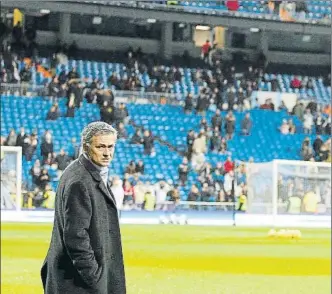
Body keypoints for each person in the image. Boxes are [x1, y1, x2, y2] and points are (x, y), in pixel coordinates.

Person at [41, 122, 126, 294]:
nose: (107, 153)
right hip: (77, 283)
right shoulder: (80, 180)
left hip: (76, 279)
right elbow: (75, 236)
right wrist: (94, 278)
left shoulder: (82, 171)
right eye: (100, 146)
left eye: (111, 146)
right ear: (86, 147)